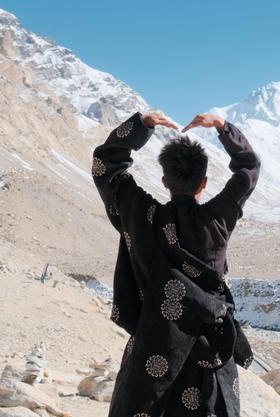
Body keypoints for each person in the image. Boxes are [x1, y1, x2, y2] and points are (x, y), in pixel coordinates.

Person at [91, 111, 260, 417]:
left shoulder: (142, 216)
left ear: (164, 181)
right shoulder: (217, 220)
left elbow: (106, 165)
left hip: (151, 350)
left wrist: (142, 124)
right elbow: (249, 167)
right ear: (204, 182)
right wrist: (223, 127)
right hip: (209, 354)